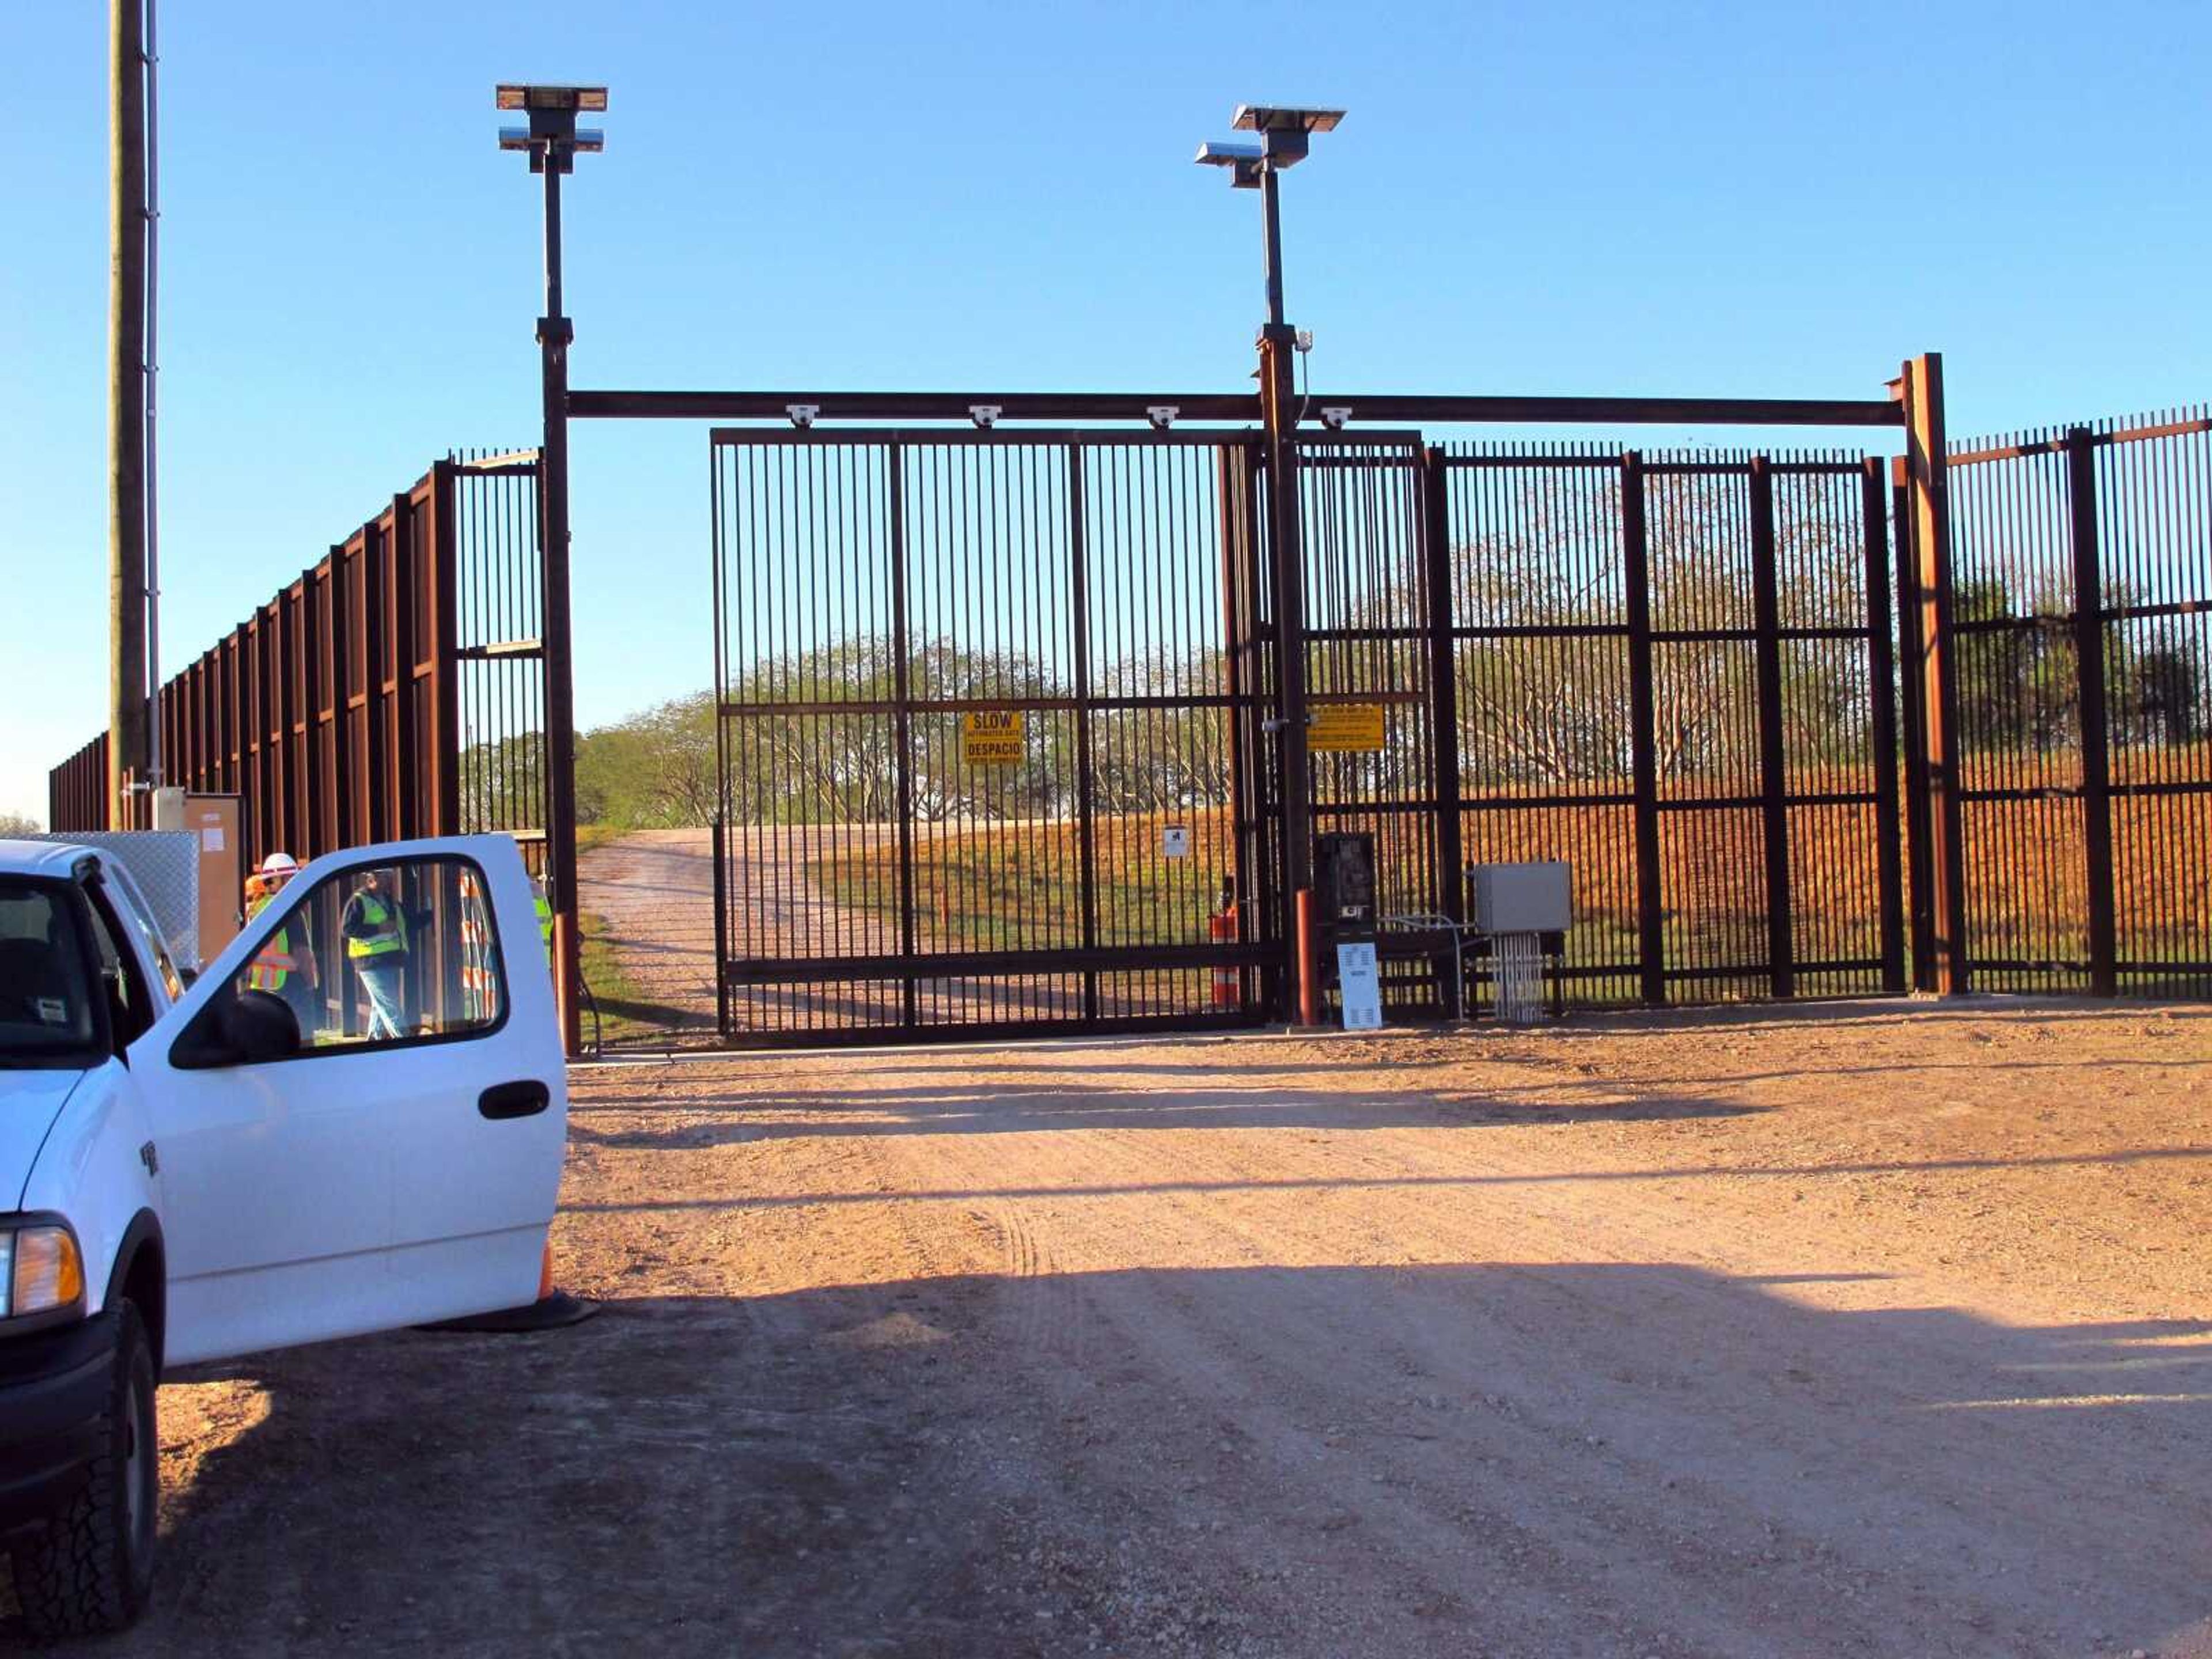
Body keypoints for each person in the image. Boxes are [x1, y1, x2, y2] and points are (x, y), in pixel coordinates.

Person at [340, 868, 422, 1040]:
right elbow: (347, 930)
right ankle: (406, 1043)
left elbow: (405, 924)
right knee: (389, 1005)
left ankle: (373, 1042)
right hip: (370, 962)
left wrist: (430, 915)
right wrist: (378, 928)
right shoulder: (359, 901)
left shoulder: (390, 901)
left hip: (390, 960)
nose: (389, 881)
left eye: (390, 877)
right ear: (372, 879)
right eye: (386, 877)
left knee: (380, 1005)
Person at [243, 853, 317, 1036]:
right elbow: (302, 954)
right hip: (291, 987)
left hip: (260, 989)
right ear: (279, 880)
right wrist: (311, 983)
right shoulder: (289, 909)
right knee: (302, 1040)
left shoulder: (255, 909)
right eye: (292, 878)